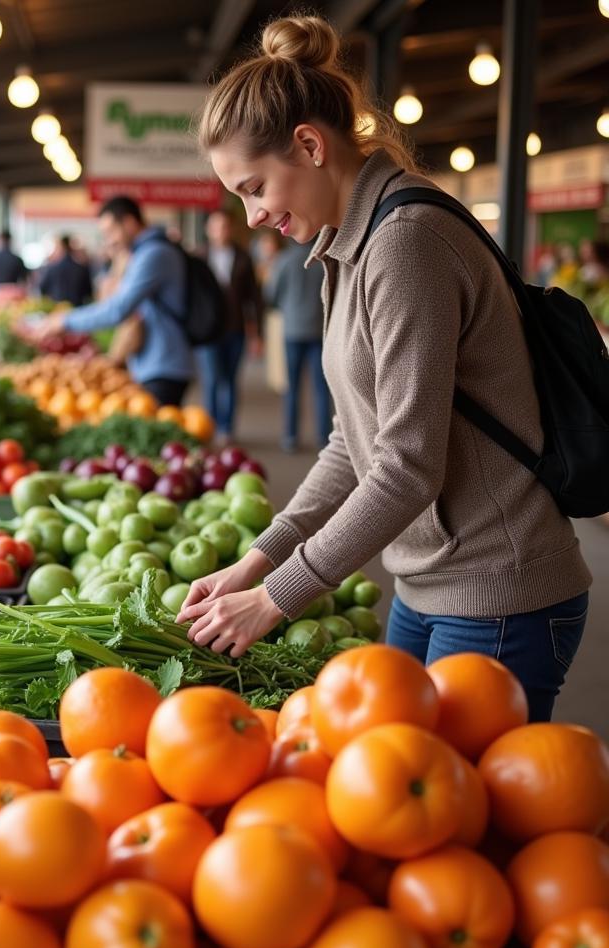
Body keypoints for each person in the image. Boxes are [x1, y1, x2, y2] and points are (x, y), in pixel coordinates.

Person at [177, 14, 591, 721]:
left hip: (498, 589)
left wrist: (277, 598)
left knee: (467, 820)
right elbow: (353, 442)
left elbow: (405, 466)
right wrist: (259, 559)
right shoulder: (352, 246)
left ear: (308, 144)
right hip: (428, 586)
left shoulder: (404, 245)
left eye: (253, 188)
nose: (250, 216)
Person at [38, 196, 194, 408]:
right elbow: (111, 297)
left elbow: (117, 309)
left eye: (111, 231)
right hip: (153, 363)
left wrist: (64, 321)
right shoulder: (142, 252)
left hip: (163, 365)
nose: (109, 240)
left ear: (129, 223)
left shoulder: (154, 253)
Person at [199, 210, 263, 445]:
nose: (221, 231)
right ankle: (210, 425)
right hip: (208, 332)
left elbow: (254, 298)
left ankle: (227, 428)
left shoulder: (243, 257)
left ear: (231, 229)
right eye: (216, 226)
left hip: (235, 330)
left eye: (225, 226)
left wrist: (257, 335)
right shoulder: (200, 257)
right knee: (211, 380)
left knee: (230, 381)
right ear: (209, 230)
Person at [265, 236, 330, 452]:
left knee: (292, 386)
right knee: (321, 387)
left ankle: (291, 437)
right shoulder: (322, 258)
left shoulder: (284, 260)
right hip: (318, 328)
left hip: (292, 329)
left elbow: (271, 295)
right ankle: (324, 437)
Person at [38, 235, 93, 307]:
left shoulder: (52, 268)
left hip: (56, 308)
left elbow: (42, 287)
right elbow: (88, 292)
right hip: (77, 308)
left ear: (61, 247)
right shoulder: (81, 268)